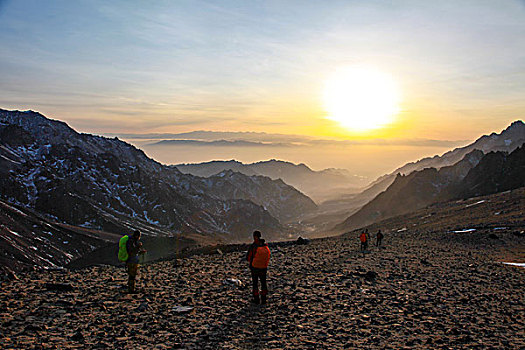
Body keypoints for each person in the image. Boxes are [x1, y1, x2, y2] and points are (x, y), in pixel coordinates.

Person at [246, 231, 271, 304]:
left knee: (255, 283)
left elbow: (248, 257)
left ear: (255, 236)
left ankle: (256, 299)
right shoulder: (264, 245)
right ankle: (264, 299)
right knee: (263, 282)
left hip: (255, 267)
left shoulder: (254, 246)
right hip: (263, 267)